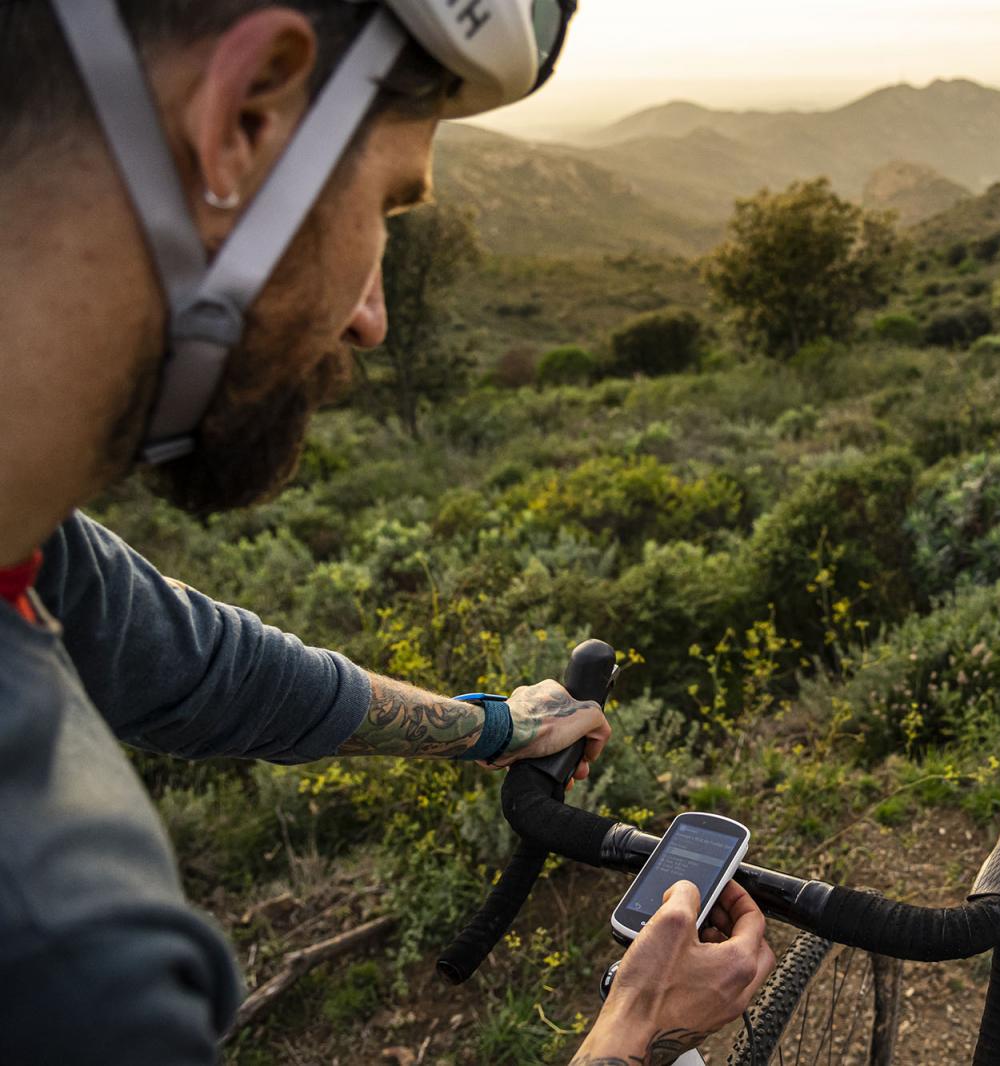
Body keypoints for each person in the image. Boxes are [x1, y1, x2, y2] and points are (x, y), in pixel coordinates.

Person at [0, 1, 776, 1063]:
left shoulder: (27, 546)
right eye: (388, 204)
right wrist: (640, 1026)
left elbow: (209, 669)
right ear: (249, 119)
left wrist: (493, 727)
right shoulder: (64, 951)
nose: (370, 314)